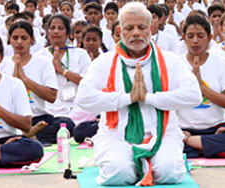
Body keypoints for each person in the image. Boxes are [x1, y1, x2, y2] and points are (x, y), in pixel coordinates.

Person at [75, 2, 202, 186]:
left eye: (141, 27)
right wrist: (127, 98)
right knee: (118, 175)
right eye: (129, 28)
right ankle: (138, 166)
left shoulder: (169, 60)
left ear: (151, 28)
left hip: (163, 134)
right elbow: (83, 98)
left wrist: (149, 98)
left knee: (170, 174)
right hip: (116, 136)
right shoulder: (106, 62)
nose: (136, 33)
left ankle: (144, 165)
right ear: (119, 30)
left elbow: (194, 95)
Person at [177, 14, 225, 158]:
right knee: (161, 142)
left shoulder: (221, 64)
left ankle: (192, 145)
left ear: (210, 37)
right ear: (183, 37)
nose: (195, 41)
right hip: (184, 129)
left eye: (200, 36)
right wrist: (176, 131)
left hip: (216, 129)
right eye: (190, 36)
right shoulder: (175, 64)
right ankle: (206, 147)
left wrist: (202, 87)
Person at [0, 33, 43, 166]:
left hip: (9, 142)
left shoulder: (14, 84)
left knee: (35, 149)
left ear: (1, 57)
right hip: (3, 149)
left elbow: (26, 125)